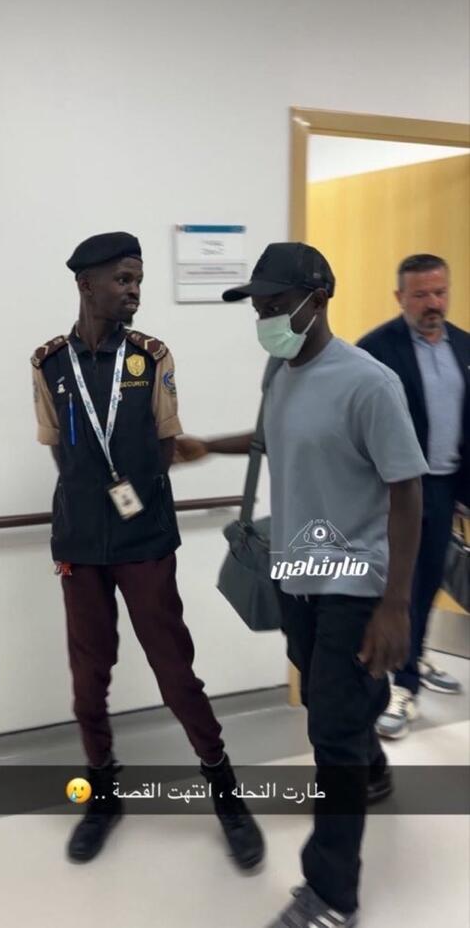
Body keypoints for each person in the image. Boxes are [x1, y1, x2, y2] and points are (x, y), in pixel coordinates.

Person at [175, 242, 428, 928]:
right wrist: (208, 446)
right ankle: (371, 765)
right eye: (258, 308)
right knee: (326, 695)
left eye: (277, 305)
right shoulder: (281, 371)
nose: (266, 319)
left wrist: (396, 605)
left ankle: (331, 894)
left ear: (319, 298)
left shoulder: (370, 383)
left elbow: (407, 491)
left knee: (331, 734)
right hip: (297, 577)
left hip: (355, 582)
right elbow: (273, 435)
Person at [31, 231, 264, 868]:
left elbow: (165, 447)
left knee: (174, 671)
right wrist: (93, 494)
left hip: (145, 537)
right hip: (80, 540)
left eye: (138, 279)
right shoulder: (48, 364)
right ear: (86, 284)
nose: (134, 290)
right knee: (89, 677)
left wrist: (132, 485)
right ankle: (103, 794)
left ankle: (225, 792)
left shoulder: (152, 357)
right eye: (123, 279)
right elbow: (59, 451)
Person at [357, 254, 469, 739]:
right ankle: (400, 686)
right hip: (396, 491)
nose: (433, 303)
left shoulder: (464, 345)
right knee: (395, 588)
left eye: (440, 292)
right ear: (400, 297)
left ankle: (412, 665)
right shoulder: (375, 350)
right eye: (421, 294)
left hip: (446, 488)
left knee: (427, 582)